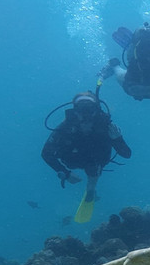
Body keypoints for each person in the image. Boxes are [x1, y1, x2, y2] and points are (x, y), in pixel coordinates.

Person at [41, 90, 132, 221]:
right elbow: (46, 153)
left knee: (93, 167)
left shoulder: (106, 126)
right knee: (88, 163)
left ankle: (91, 187)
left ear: (96, 110)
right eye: (81, 109)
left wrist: (118, 139)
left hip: (96, 161)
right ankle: (90, 184)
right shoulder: (65, 127)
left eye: (89, 109)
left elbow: (126, 154)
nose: (85, 115)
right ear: (75, 111)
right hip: (72, 159)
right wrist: (64, 173)